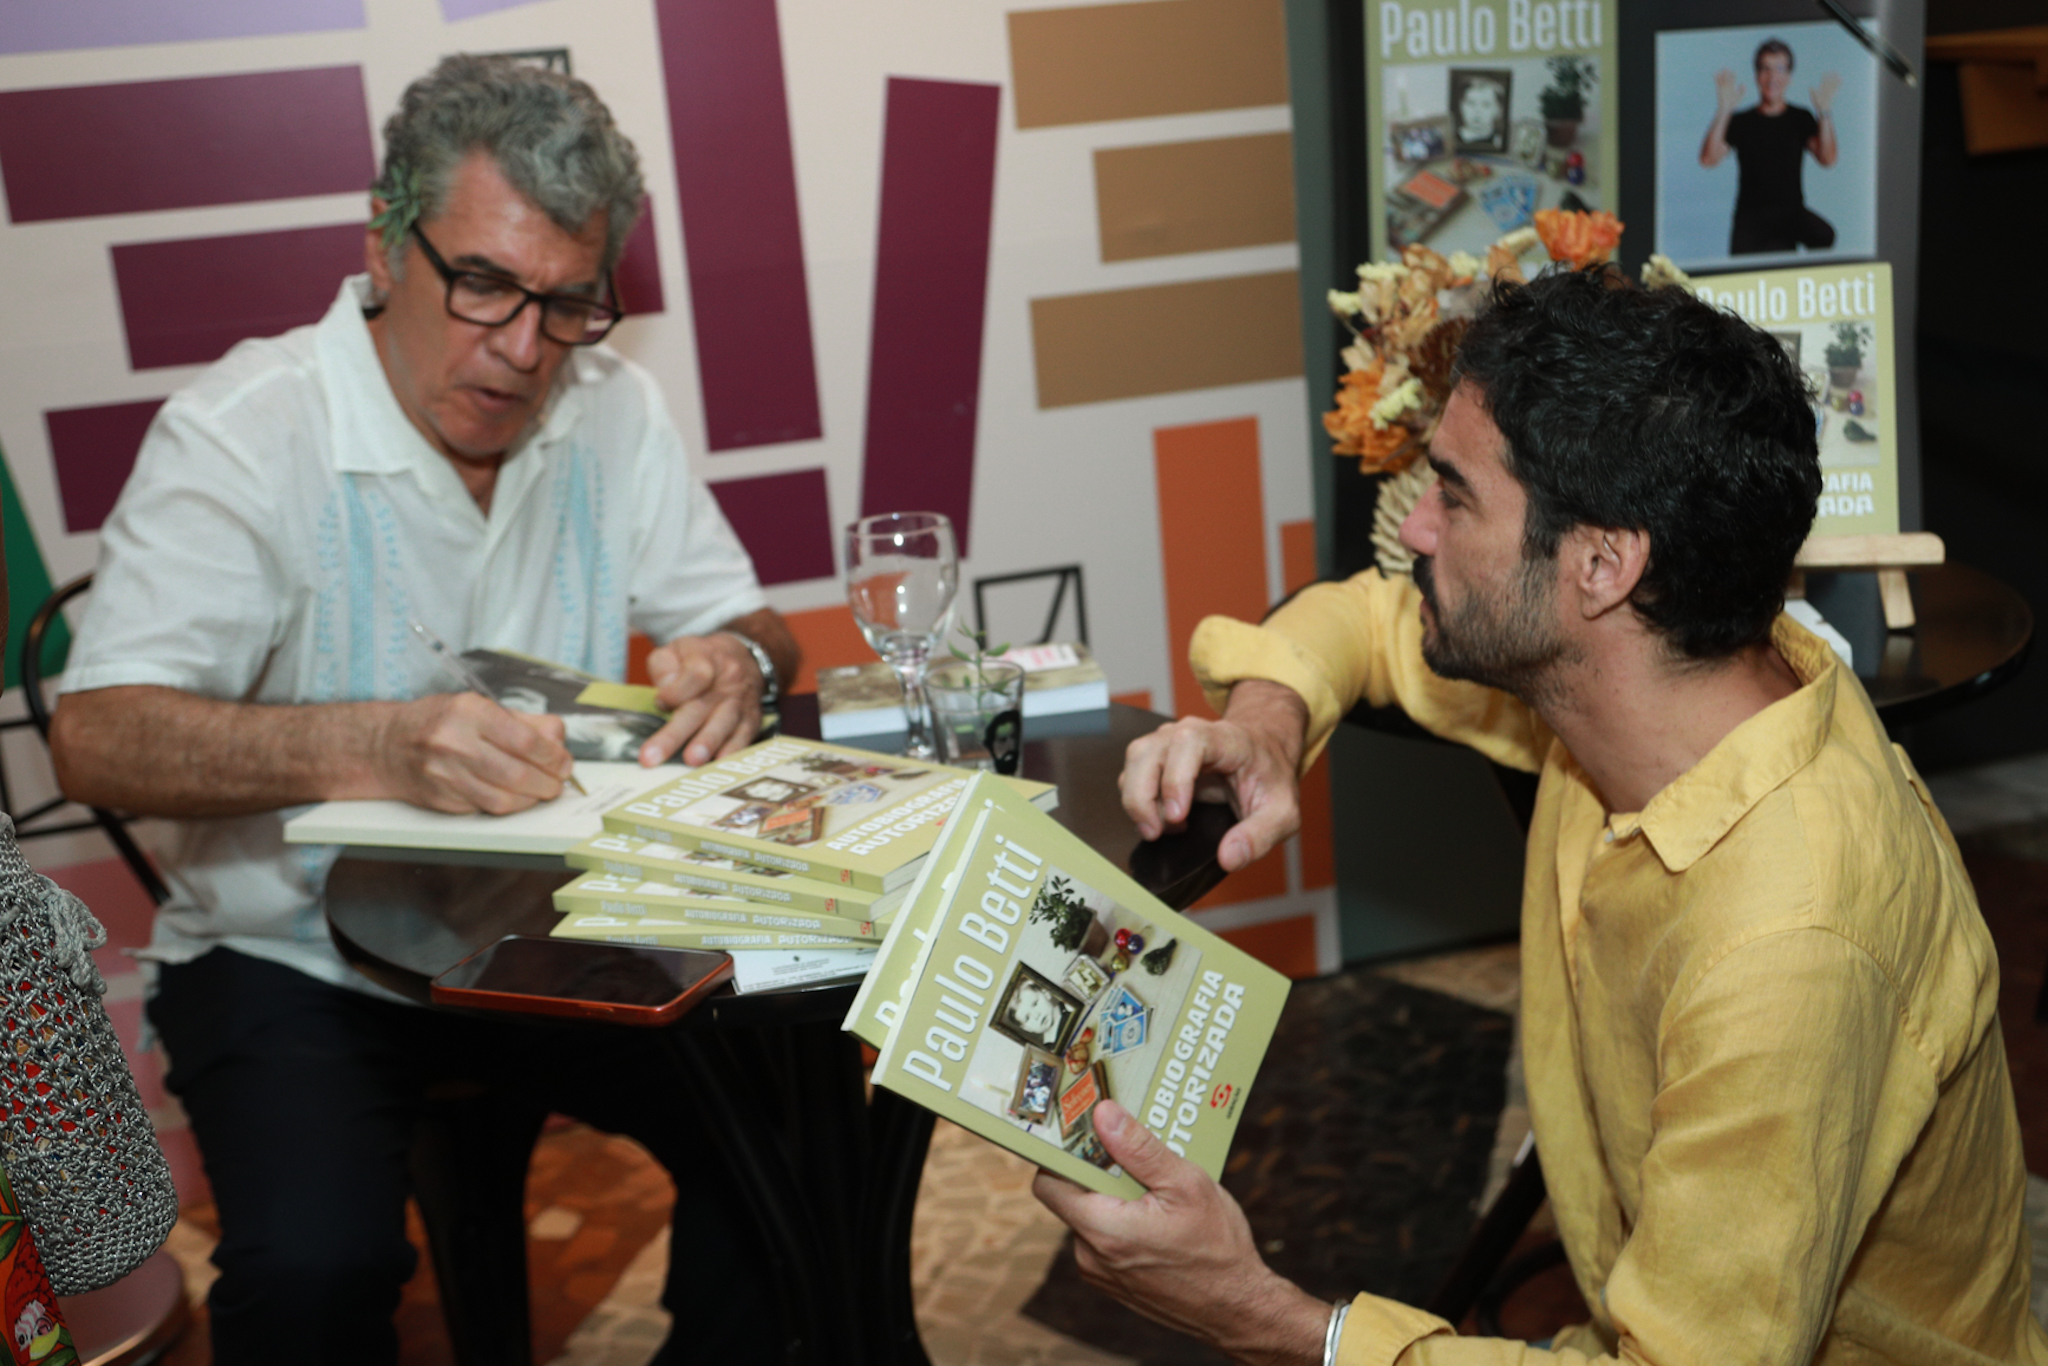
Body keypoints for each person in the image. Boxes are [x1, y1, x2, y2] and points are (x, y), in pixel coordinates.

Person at [1035, 268, 2048, 1364]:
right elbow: (1371, 621)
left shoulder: (1788, 942)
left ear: (1601, 564)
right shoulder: (1657, 683)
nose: (1414, 528)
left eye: (1455, 495)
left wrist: (1264, 1314)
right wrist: (1268, 724)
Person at [48, 55, 799, 1364]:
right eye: (486, 285)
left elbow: (750, 619)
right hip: (290, 955)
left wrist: (739, 656)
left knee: (797, 1130)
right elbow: (97, 732)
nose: (521, 350)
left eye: (568, 304)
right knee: (313, 1275)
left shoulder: (613, 407)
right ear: (385, 248)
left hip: (550, 933)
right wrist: (378, 739)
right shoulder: (246, 428)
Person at [1699, 38, 1841, 255]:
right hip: (1751, 218)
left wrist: (1824, 112)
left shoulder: (1800, 118)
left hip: (1789, 215)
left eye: (1779, 69)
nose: (1772, 77)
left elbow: (1828, 158)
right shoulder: (1742, 121)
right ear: (1757, 76)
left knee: (1824, 236)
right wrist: (1724, 109)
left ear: (1789, 76)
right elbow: (1708, 159)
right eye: (1765, 69)